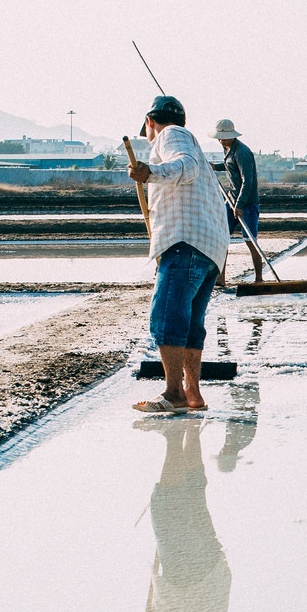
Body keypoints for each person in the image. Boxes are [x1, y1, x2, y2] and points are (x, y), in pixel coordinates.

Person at [127, 95, 228, 412]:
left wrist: (150, 172)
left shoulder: (172, 134)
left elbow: (186, 166)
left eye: (147, 131)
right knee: (191, 323)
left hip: (185, 244)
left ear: (150, 122)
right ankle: (192, 394)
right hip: (209, 248)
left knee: (168, 316)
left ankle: (174, 393)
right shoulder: (192, 141)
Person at [129, 415, 231, 612]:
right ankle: (175, 436)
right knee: (167, 505)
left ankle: (188, 432)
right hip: (191, 582)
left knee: (190, 494)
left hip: (208, 571)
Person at [211, 119, 265, 283]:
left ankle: (259, 278)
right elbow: (229, 166)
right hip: (231, 200)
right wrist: (215, 167)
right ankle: (221, 277)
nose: (222, 140)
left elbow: (247, 181)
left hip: (246, 203)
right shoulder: (228, 149)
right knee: (222, 239)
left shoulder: (242, 152)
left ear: (232, 136)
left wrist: (240, 205)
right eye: (220, 138)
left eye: (224, 137)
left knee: (250, 241)